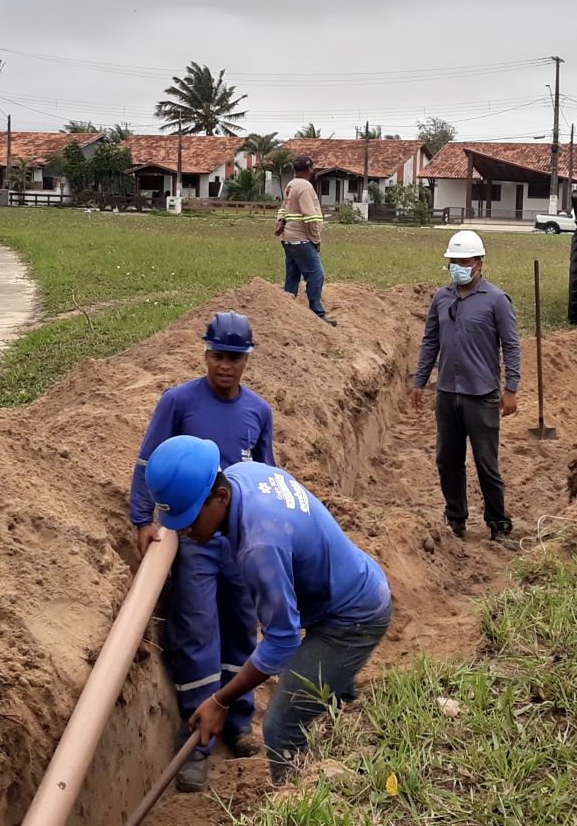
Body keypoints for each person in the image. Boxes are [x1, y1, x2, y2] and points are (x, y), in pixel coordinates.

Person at [149, 434, 391, 785]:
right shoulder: (244, 475)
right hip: (353, 585)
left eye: (189, 521)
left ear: (219, 497)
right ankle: (352, 736)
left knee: (281, 725)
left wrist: (220, 700)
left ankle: (298, 806)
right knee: (324, 693)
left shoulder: (259, 545)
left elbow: (282, 641)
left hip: (353, 619)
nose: (184, 532)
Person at [129, 312, 277, 792]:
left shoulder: (258, 411)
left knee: (241, 625)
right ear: (205, 354)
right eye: (217, 356)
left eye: (234, 358)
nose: (225, 367)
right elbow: (149, 460)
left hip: (242, 539)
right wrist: (141, 519)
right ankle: (197, 744)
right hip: (193, 539)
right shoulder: (179, 402)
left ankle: (238, 719)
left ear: (247, 360)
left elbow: (269, 474)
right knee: (196, 631)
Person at [411, 229, 522, 545]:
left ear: (479, 263)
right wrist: (420, 380)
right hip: (447, 394)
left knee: (486, 462)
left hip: (482, 395)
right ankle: (456, 518)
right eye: (453, 261)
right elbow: (430, 340)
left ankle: (499, 525)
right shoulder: (441, 297)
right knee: (448, 460)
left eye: (464, 261)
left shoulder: (496, 300)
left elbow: (512, 346)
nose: (458, 266)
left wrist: (511, 388)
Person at [275, 157, 334, 326]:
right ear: (309, 170)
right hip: (301, 239)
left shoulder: (290, 185)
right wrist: (316, 239)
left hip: (288, 239)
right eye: (312, 168)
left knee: (292, 277)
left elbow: (283, 208)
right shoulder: (306, 187)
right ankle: (317, 313)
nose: (313, 171)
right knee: (316, 274)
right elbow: (311, 217)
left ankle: (287, 312)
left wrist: (280, 221)